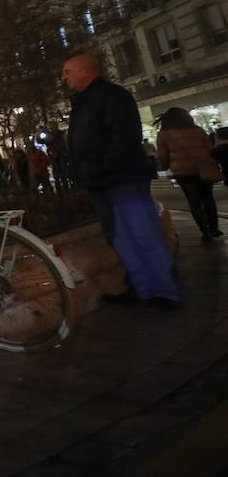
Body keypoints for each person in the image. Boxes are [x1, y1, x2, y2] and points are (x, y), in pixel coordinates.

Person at [62, 55, 181, 306]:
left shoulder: (110, 96)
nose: (64, 77)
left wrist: (100, 168)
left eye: (67, 71)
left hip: (121, 178)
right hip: (104, 180)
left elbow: (124, 138)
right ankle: (144, 288)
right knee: (120, 236)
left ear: (85, 71)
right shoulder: (86, 101)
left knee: (142, 233)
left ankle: (163, 289)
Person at [155, 107, 222, 244]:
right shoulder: (197, 130)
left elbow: (163, 155)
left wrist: (165, 166)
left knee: (194, 201)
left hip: (182, 171)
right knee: (208, 198)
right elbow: (209, 148)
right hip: (202, 168)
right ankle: (214, 228)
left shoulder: (164, 134)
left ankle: (204, 231)